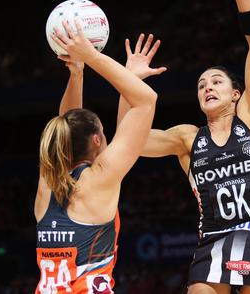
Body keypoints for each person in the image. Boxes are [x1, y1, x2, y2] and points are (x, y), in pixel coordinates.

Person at [117, 0, 250, 293]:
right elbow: (126, 144)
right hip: (212, 239)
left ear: (237, 94)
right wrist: (128, 83)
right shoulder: (187, 138)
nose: (207, 86)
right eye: (201, 84)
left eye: (217, 82)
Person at [34, 20, 158, 293]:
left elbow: (68, 124)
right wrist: (91, 56)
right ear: (97, 140)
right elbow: (146, 101)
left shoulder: (47, 183)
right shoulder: (98, 180)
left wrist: (76, 72)